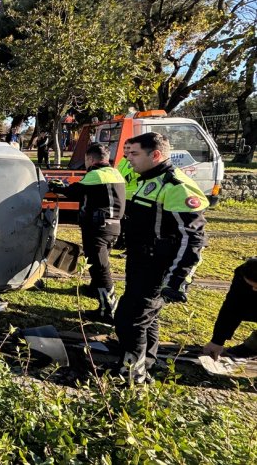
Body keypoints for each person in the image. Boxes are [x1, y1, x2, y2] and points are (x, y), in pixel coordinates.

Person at [114, 132, 208, 384]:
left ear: (155, 155)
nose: (128, 160)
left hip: (158, 267)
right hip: (139, 261)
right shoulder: (145, 179)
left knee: (130, 319)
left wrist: (177, 279)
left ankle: (132, 376)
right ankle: (146, 363)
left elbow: (193, 238)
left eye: (134, 154)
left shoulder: (176, 186)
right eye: (127, 154)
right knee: (146, 319)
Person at [48, 143, 125, 323]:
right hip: (113, 227)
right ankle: (93, 289)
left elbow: (73, 192)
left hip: (98, 228)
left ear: (90, 159)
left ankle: (108, 309)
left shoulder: (95, 174)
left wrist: (56, 186)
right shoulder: (114, 172)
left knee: (100, 268)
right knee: (97, 262)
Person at [203, 258, 257, 361]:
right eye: (251, 285)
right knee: (240, 307)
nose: (254, 289)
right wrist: (217, 341)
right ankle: (252, 347)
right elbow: (232, 306)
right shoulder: (243, 272)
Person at [114, 140, 140, 251]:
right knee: (121, 221)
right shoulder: (123, 160)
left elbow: (137, 178)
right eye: (124, 147)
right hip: (122, 196)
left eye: (128, 148)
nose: (126, 150)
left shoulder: (136, 162)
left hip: (132, 197)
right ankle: (120, 242)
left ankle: (127, 246)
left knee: (129, 224)